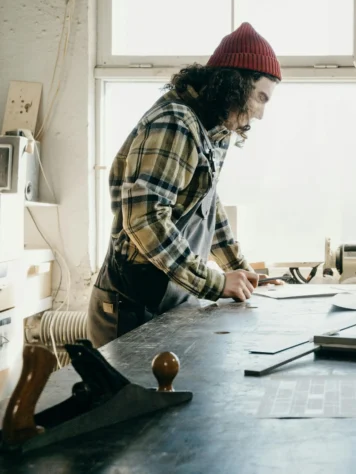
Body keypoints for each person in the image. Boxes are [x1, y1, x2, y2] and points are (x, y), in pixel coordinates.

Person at [88, 23, 281, 347]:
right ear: (235, 85)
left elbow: (207, 205)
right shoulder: (175, 122)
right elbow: (145, 220)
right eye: (260, 98)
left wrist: (240, 272)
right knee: (129, 399)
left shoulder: (213, 130)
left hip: (167, 296)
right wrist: (216, 283)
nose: (260, 114)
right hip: (132, 306)